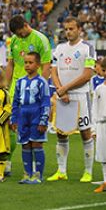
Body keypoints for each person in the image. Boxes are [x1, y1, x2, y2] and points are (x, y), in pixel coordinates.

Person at [47, 17, 96, 183]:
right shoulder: (59, 48)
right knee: (61, 134)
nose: (68, 32)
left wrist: (65, 89)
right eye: (66, 29)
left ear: (79, 29)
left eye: (71, 29)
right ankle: (61, 171)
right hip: (63, 97)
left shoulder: (87, 48)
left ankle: (88, 171)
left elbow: (87, 75)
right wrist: (61, 91)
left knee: (85, 133)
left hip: (81, 96)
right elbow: (53, 71)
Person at [5, 15, 52, 176]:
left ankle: (37, 172)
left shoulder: (41, 39)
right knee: (11, 126)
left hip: (34, 88)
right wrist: (6, 85)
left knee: (35, 134)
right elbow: (10, 63)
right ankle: (7, 162)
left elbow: (46, 66)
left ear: (26, 25)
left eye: (20, 32)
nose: (19, 36)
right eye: (16, 34)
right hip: (17, 87)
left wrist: (42, 87)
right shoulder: (14, 40)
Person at [11, 52, 50, 184]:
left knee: (36, 143)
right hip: (23, 115)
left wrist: (43, 120)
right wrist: (14, 119)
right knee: (25, 145)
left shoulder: (42, 82)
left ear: (38, 65)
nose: (27, 65)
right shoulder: (20, 82)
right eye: (25, 62)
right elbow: (15, 102)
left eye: (30, 62)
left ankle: (38, 175)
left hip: (36, 114)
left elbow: (45, 102)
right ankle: (27, 174)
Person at [92, 57, 106, 193]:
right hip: (102, 125)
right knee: (103, 155)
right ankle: (105, 181)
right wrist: (94, 129)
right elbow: (94, 109)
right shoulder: (99, 89)